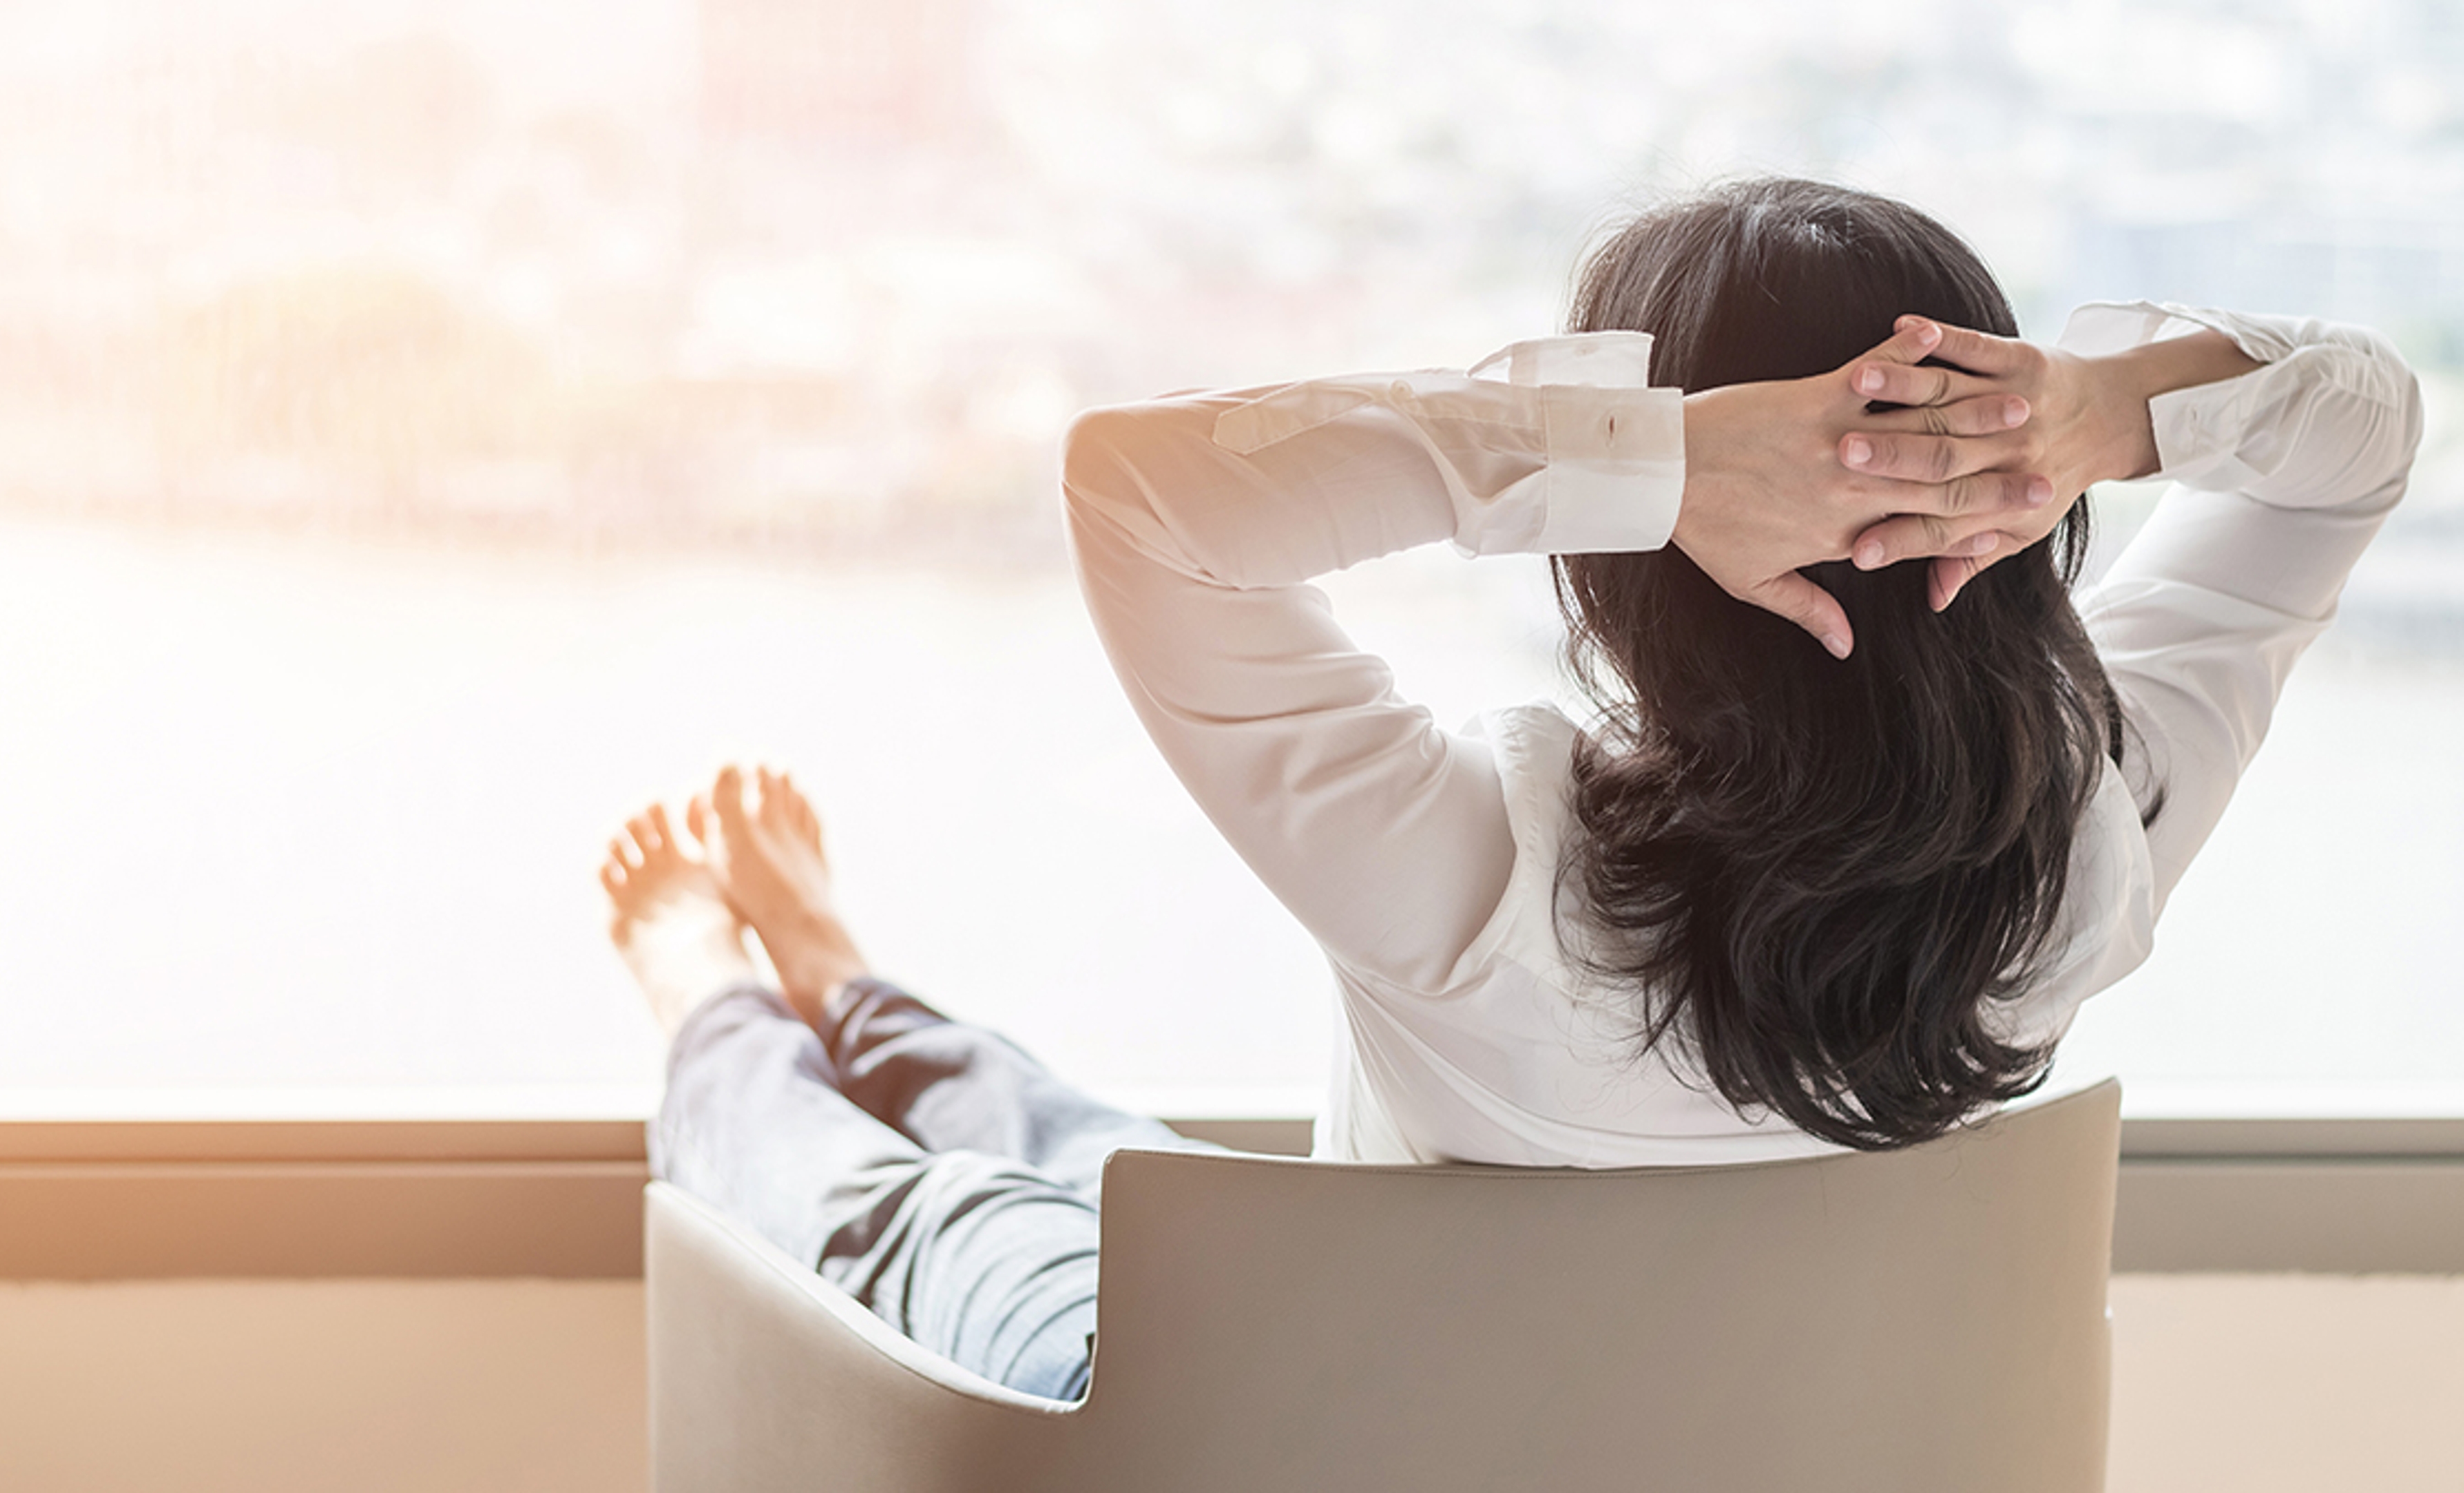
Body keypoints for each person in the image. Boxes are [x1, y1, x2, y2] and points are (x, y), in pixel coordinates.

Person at [609, 178, 2423, 1401]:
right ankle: (854, 986)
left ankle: (720, 988)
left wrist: (1648, 460)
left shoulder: (1481, 886)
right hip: (1561, 1416)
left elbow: (1139, 492)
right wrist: (2108, 410)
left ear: (1631, 554)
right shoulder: (2098, 855)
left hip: (1277, 1434)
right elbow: (2361, 439)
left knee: (913, 1213)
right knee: (1101, 1157)